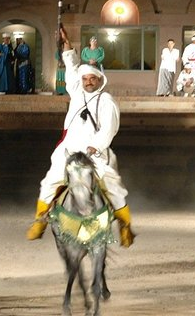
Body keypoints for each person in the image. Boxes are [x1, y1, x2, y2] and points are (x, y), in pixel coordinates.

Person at [25, 26, 135, 248]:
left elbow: (109, 129)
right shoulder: (76, 93)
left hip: (95, 153)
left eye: (92, 79)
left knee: (112, 185)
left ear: (98, 80)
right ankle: (40, 220)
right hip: (68, 150)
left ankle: (124, 225)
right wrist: (66, 43)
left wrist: (96, 146)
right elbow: (72, 65)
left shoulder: (107, 101)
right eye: (85, 78)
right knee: (49, 181)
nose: (87, 81)